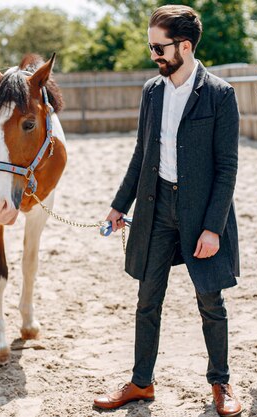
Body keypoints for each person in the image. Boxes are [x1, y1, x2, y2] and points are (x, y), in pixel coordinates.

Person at [93, 4, 242, 416]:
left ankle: (221, 383)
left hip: (202, 213)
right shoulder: (152, 91)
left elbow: (227, 168)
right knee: (147, 299)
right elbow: (142, 154)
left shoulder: (220, 94)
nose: (154, 55)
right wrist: (118, 206)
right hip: (157, 207)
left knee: (210, 302)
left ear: (185, 45)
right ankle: (141, 383)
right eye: (151, 47)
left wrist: (213, 228)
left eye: (159, 47)